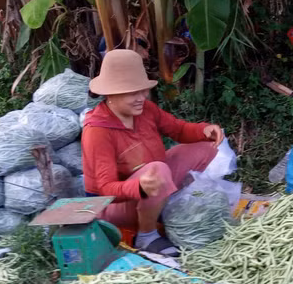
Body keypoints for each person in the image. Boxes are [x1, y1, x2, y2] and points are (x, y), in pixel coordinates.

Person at [81, 49, 224, 256]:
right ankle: (146, 236)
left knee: (205, 147)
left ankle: (161, 204)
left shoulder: (146, 110)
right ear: (111, 94)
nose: (141, 98)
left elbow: (178, 129)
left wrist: (203, 130)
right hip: (112, 206)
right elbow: (105, 188)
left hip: (150, 184)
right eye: (133, 93)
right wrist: (138, 187)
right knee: (159, 170)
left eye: (143, 91)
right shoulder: (97, 131)